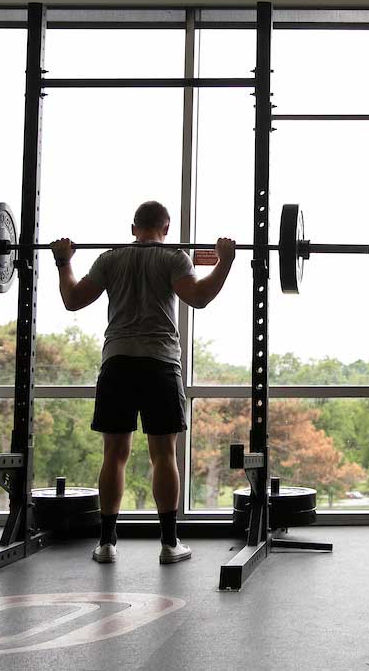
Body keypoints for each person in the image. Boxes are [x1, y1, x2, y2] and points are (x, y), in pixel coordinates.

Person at [50, 201, 236, 565]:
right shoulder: (173, 257)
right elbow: (197, 298)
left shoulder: (110, 258)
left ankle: (106, 544)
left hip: (117, 362)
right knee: (163, 454)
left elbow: (72, 300)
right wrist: (224, 261)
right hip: (159, 363)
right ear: (165, 228)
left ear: (133, 227)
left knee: (113, 455)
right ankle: (169, 544)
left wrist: (63, 261)